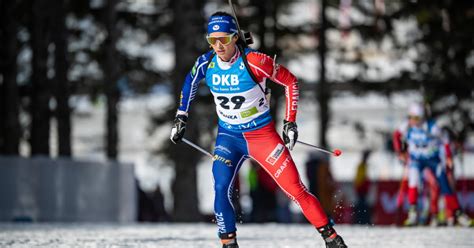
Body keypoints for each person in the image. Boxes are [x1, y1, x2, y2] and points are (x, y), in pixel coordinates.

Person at [170, 11, 347, 248]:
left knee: (295, 190)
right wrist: (181, 116)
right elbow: (189, 82)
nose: (218, 46)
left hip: (262, 136)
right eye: (212, 40)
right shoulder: (206, 62)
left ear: (234, 37)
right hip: (229, 136)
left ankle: (332, 238)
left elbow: (290, 81)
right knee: (221, 187)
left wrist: (289, 122)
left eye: (223, 39)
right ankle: (228, 243)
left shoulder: (254, 61)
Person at [392, 103, 472, 227]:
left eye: (416, 118)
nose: (413, 121)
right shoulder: (406, 126)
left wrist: (449, 156)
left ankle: (458, 214)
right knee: (413, 181)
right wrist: (400, 153)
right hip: (416, 159)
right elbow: (396, 135)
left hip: (432, 159)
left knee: (444, 184)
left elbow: (445, 140)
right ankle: (413, 213)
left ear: (422, 117)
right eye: (410, 117)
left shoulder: (432, 127)